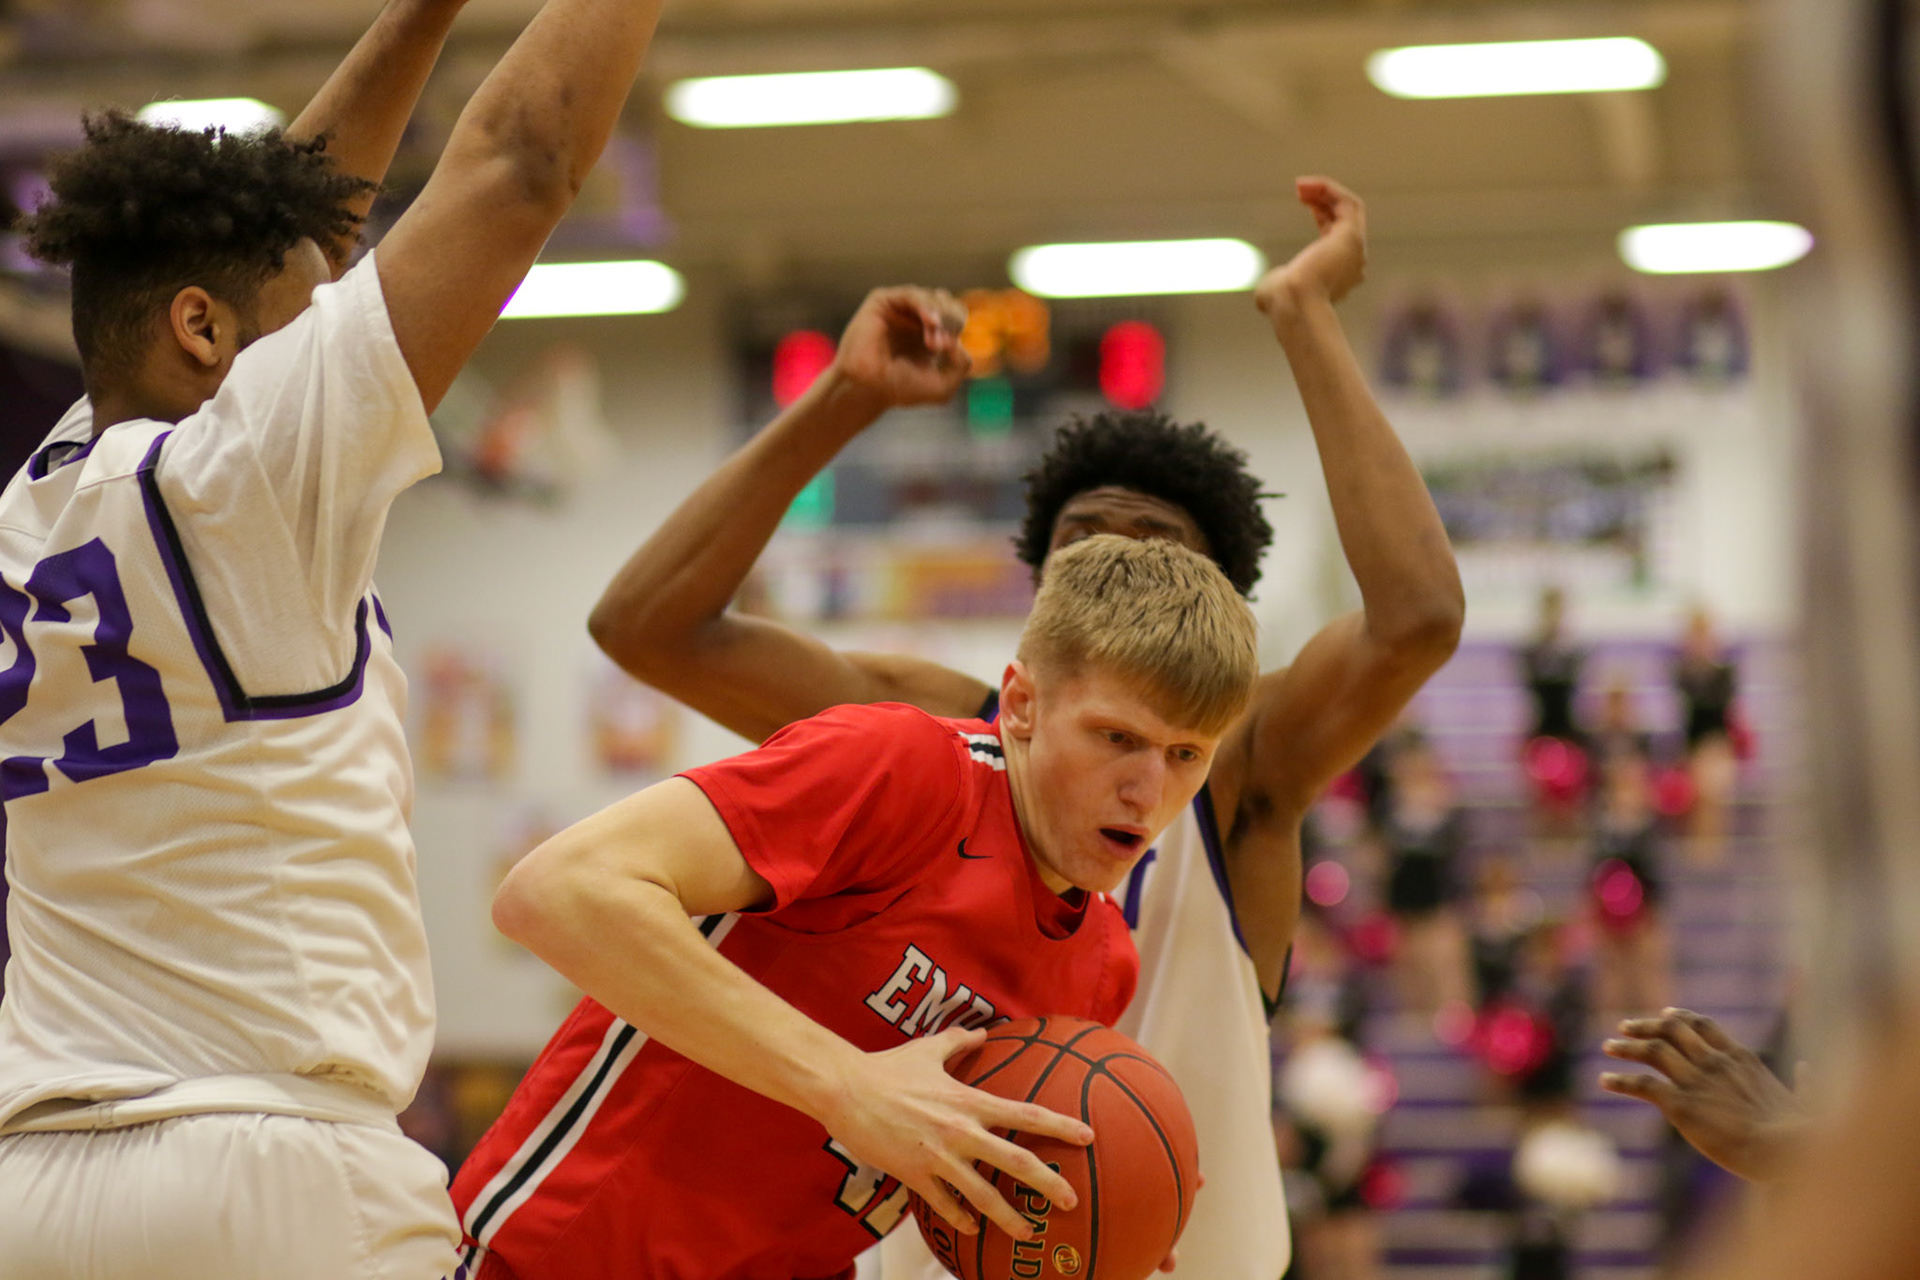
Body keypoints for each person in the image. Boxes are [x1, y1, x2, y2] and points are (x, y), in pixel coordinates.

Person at [588, 176, 1464, 1280]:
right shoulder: (922, 736)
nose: (1112, 562)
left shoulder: (1238, 759)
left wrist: (1306, 315)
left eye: (1154, 547)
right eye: (1083, 541)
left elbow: (1420, 617)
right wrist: (843, 400)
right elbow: (648, 625)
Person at [0, 0, 670, 1273]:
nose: (345, 306)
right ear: (203, 331)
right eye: (319, 300)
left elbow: (293, 213)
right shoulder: (247, 471)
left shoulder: (34, 503)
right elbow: (524, 160)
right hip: (268, 1168)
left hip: (30, 1183)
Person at [448, 535, 1259, 1279]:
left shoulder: (1102, 967)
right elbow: (555, 892)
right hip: (561, 1256)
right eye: (1116, 737)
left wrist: (1097, 1211)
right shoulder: (905, 772)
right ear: (1021, 706)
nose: (1148, 790)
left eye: (1185, 755)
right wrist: (847, 1085)